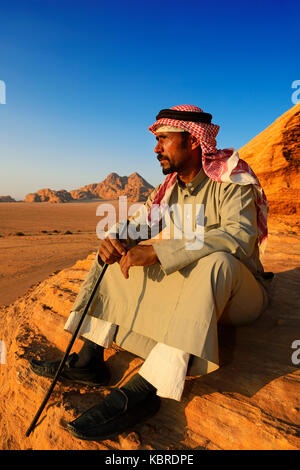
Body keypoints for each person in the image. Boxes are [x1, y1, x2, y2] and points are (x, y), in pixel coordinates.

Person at [30, 104, 272, 441]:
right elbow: (141, 223)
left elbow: (238, 238)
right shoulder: (169, 189)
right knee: (117, 254)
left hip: (239, 292)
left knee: (216, 262)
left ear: (194, 142)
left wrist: (160, 251)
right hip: (198, 288)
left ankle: (148, 389)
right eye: (156, 140)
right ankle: (89, 359)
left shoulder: (231, 179)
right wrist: (118, 237)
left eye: (164, 140)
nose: (156, 148)